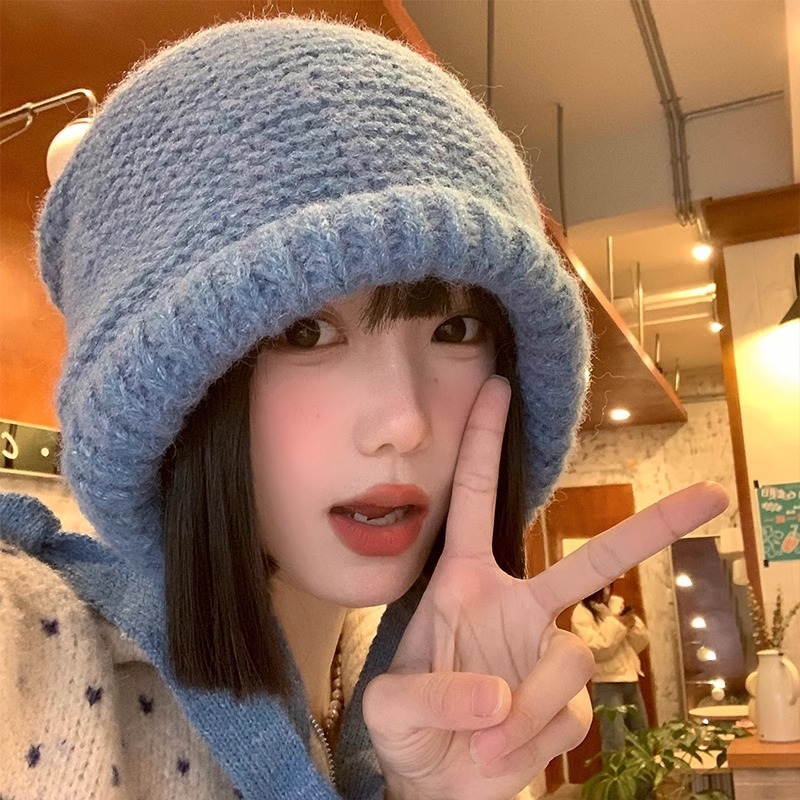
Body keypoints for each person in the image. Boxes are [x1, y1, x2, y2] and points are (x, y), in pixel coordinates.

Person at [0, 16, 728, 800]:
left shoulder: (430, 685)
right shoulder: (31, 659)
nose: (405, 423)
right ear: (168, 393)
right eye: (304, 332)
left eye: (455, 330)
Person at [570, 584, 651, 751]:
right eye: (603, 586)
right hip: (606, 683)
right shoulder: (581, 613)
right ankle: (615, 770)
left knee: (642, 736)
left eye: (609, 586)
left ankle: (646, 770)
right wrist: (617, 625)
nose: (607, 591)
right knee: (615, 740)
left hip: (630, 678)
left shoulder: (616, 604)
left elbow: (639, 644)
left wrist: (631, 625)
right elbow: (595, 650)